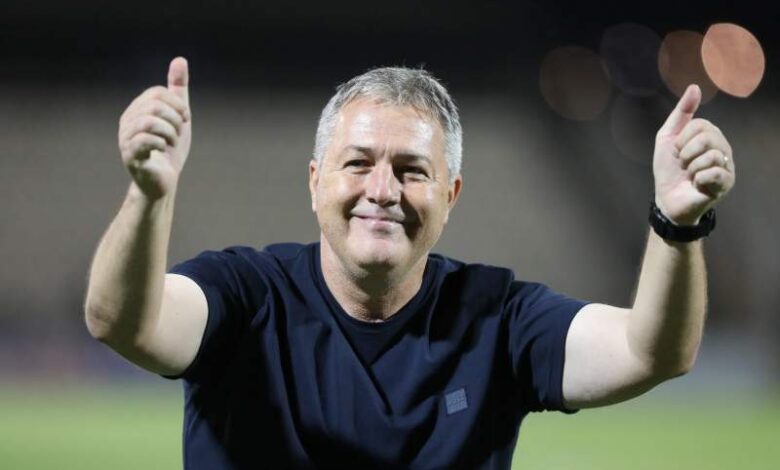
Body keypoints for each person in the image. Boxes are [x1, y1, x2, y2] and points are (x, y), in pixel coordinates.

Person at [84, 57, 735, 469]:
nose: (382, 190)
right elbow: (121, 320)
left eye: (411, 170)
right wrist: (148, 195)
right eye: (358, 163)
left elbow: (650, 352)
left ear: (450, 195)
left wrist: (677, 223)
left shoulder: (496, 318)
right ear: (315, 183)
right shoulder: (247, 295)